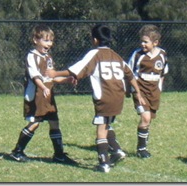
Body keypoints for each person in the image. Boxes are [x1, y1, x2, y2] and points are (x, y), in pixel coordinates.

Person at [45, 24, 145, 173]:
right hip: (118, 96)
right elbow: (130, 74)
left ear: (95, 40)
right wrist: (138, 93)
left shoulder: (95, 54)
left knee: (100, 129)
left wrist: (55, 74)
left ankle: (103, 163)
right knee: (107, 125)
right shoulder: (116, 55)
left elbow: (77, 69)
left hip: (105, 97)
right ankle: (117, 151)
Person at [10, 24, 76, 164]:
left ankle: (59, 154)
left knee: (54, 122)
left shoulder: (48, 57)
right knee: (35, 123)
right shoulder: (31, 56)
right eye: (46, 40)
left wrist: (67, 79)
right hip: (37, 95)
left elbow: (52, 77)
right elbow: (35, 76)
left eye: (51, 40)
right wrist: (43, 87)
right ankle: (17, 151)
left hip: (48, 95)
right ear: (35, 40)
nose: (49, 44)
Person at [127, 24, 169, 158]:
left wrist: (159, 88)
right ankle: (141, 149)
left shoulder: (162, 55)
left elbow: (163, 73)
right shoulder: (137, 54)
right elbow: (128, 72)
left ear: (155, 42)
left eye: (146, 42)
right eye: (141, 41)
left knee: (148, 120)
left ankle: (143, 144)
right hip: (140, 90)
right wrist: (131, 89)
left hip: (154, 92)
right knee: (145, 117)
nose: (142, 44)